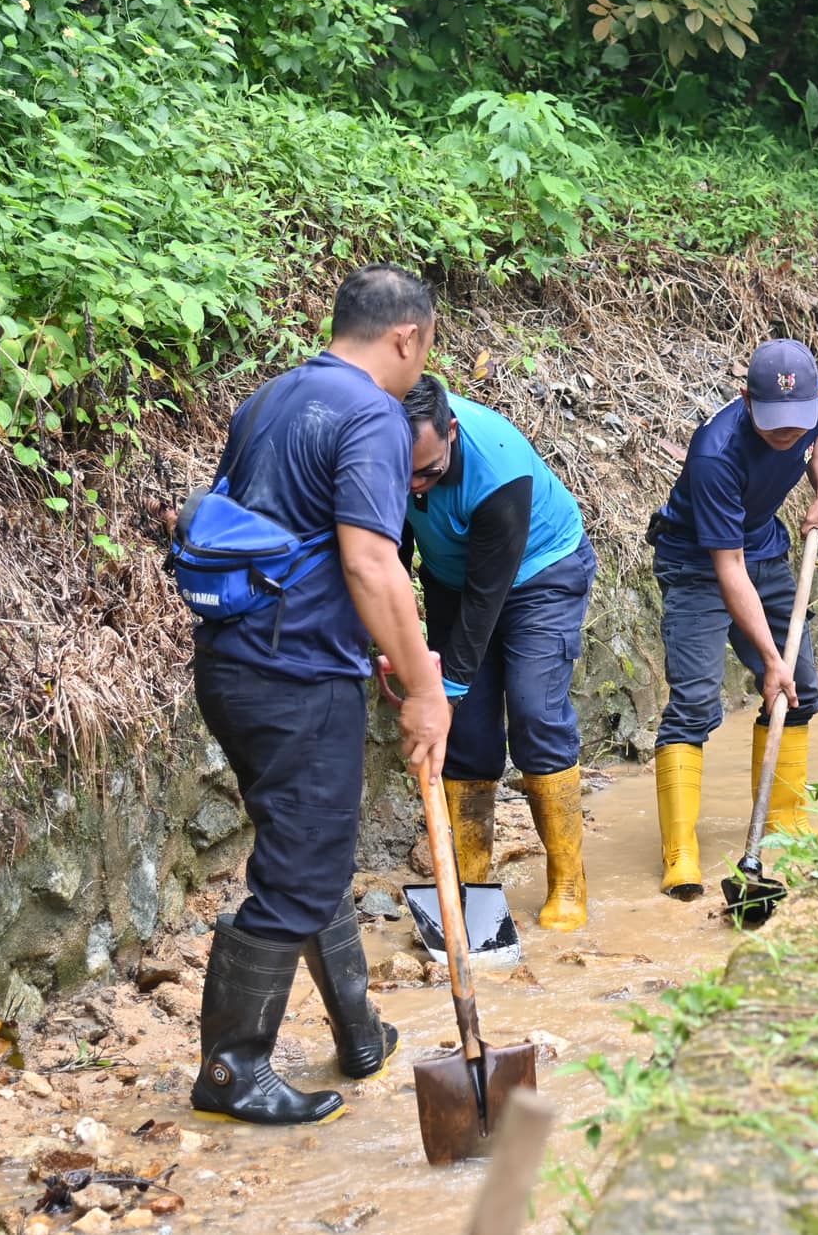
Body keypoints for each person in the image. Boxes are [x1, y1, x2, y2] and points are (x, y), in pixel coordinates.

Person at [189, 264, 452, 1124]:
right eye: (428, 345)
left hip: (238, 662)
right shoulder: (373, 413)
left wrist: (369, 647)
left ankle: (359, 1029)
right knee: (300, 868)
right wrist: (423, 687)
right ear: (407, 336)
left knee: (311, 855)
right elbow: (371, 563)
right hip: (293, 674)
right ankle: (232, 1071)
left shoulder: (270, 397)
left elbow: (274, 536)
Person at [401, 375, 599, 932]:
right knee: (469, 738)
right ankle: (471, 888)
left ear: (452, 434)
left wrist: (448, 692)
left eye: (430, 473)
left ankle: (567, 878)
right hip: (449, 580)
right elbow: (389, 551)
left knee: (535, 711)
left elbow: (487, 599)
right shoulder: (379, 445)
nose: (417, 488)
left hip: (540, 574)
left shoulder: (498, 470)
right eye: (405, 475)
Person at [648, 340, 818, 898]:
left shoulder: (810, 408)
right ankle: (681, 850)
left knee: (799, 687)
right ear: (744, 399)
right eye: (772, 423)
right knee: (696, 701)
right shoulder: (715, 454)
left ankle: (783, 820)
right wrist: (768, 662)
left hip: (764, 551)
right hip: (697, 564)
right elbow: (727, 570)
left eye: (796, 422)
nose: (787, 434)